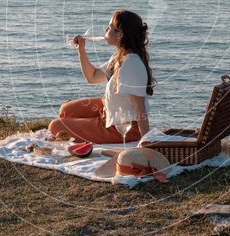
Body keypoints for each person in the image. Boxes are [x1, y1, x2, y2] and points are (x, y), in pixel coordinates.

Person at [48, 9, 155, 144]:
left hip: (121, 127)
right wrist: (81, 49)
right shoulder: (119, 57)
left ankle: (96, 124)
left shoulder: (131, 64)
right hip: (108, 109)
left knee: (55, 126)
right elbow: (92, 77)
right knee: (65, 109)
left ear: (120, 34)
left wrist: (146, 142)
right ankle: (94, 120)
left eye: (110, 27)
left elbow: (140, 107)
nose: (105, 29)